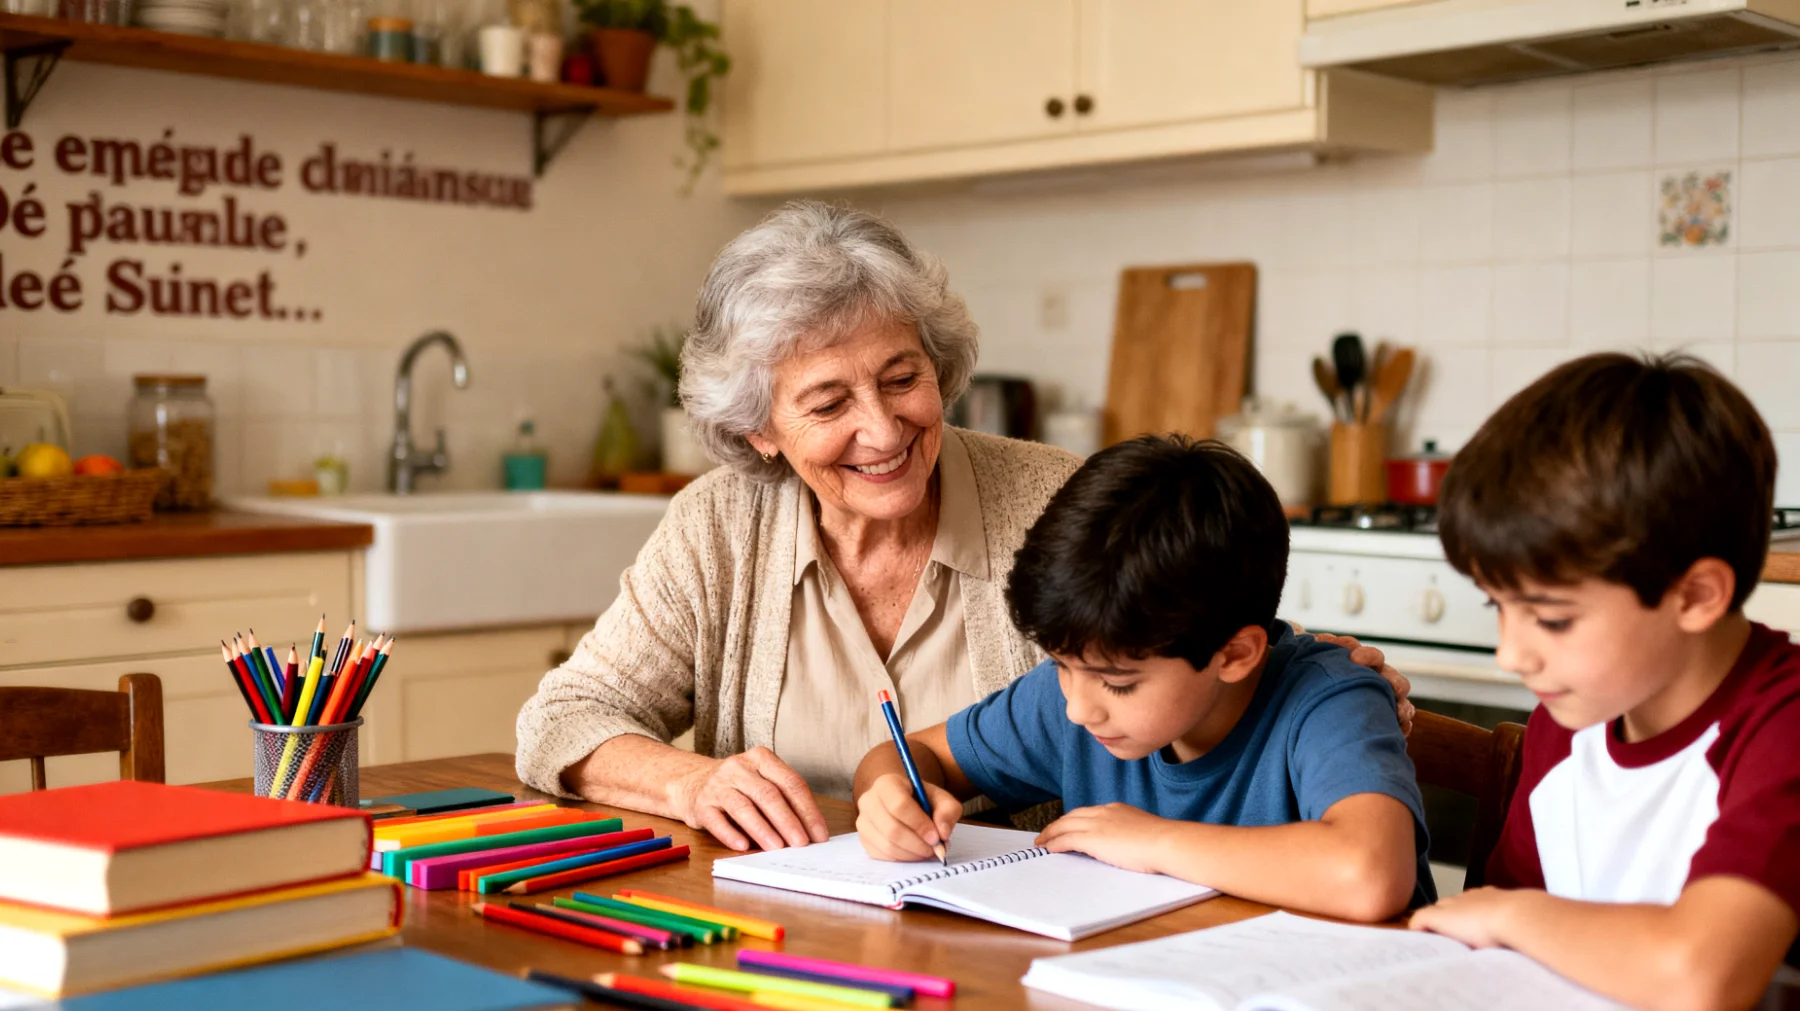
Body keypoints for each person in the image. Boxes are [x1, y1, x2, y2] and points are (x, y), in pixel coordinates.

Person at [515, 200, 1413, 854]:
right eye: (829, 402)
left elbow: (1209, 644)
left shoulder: (1060, 503)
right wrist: (691, 779)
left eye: (903, 377)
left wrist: (1305, 677)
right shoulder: (717, 528)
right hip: (775, 939)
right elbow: (561, 718)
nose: (883, 426)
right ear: (760, 429)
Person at [852, 435, 1432, 922]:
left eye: (1120, 684)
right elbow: (905, 755)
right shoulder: (1075, 696)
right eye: (1060, 665)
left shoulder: (1331, 698)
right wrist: (890, 798)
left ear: (1235, 654)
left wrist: (1152, 840)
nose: (1079, 708)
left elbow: (1368, 873)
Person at [1410, 353, 1800, 1011]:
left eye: (1552, 619)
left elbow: (1703, 972)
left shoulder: (1781, 727)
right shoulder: (1567, 721)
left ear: (1697, 594)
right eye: (1497, 606)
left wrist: (1511, 917)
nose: (1512, 653)